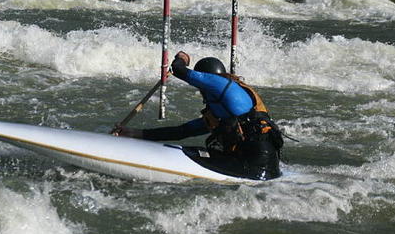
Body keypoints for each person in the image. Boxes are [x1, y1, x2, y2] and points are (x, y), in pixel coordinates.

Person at [116, 51, 283, 180]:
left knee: (194, 153)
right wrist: (135, 133)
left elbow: (179, 70)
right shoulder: (222, 112)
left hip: (258, 162)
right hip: (258, 162)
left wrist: (182, 57)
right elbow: (182, 131)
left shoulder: (221, 84)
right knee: (194, 151)